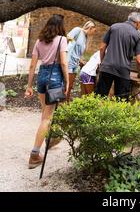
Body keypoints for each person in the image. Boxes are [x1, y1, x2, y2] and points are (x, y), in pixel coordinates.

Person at [25, 14, 69, 169]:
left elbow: (32, 66)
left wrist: (29, 86)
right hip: (55, 77)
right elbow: (63, 63)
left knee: (45, 114)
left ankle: (52, 139)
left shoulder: (39, 41)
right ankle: (35, 154)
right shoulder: (62, 40)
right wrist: (68, 81)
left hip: (42, 76)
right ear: (60, 27)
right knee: (47, 118)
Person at [95, 12, 140, 101]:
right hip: (123, 71)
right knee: (121, 101)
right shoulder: (138, 36)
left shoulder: (114, 27)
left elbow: (102, 48)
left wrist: (103, 63)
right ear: (138, 23)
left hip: (107, 67)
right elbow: (139, 60)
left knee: (99, 98)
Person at [66, 21, 96, 101]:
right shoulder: (78, 30)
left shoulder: (86, 38)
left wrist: (82, 61)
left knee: (70, 85)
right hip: (69, 62)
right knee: (67, 85)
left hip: (75, 64)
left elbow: (79, 53)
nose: (94, 33)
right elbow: (67, 38)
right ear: (90, 28)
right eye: (94, 30)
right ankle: (63, 103)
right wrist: (72, 45)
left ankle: (66, 102)